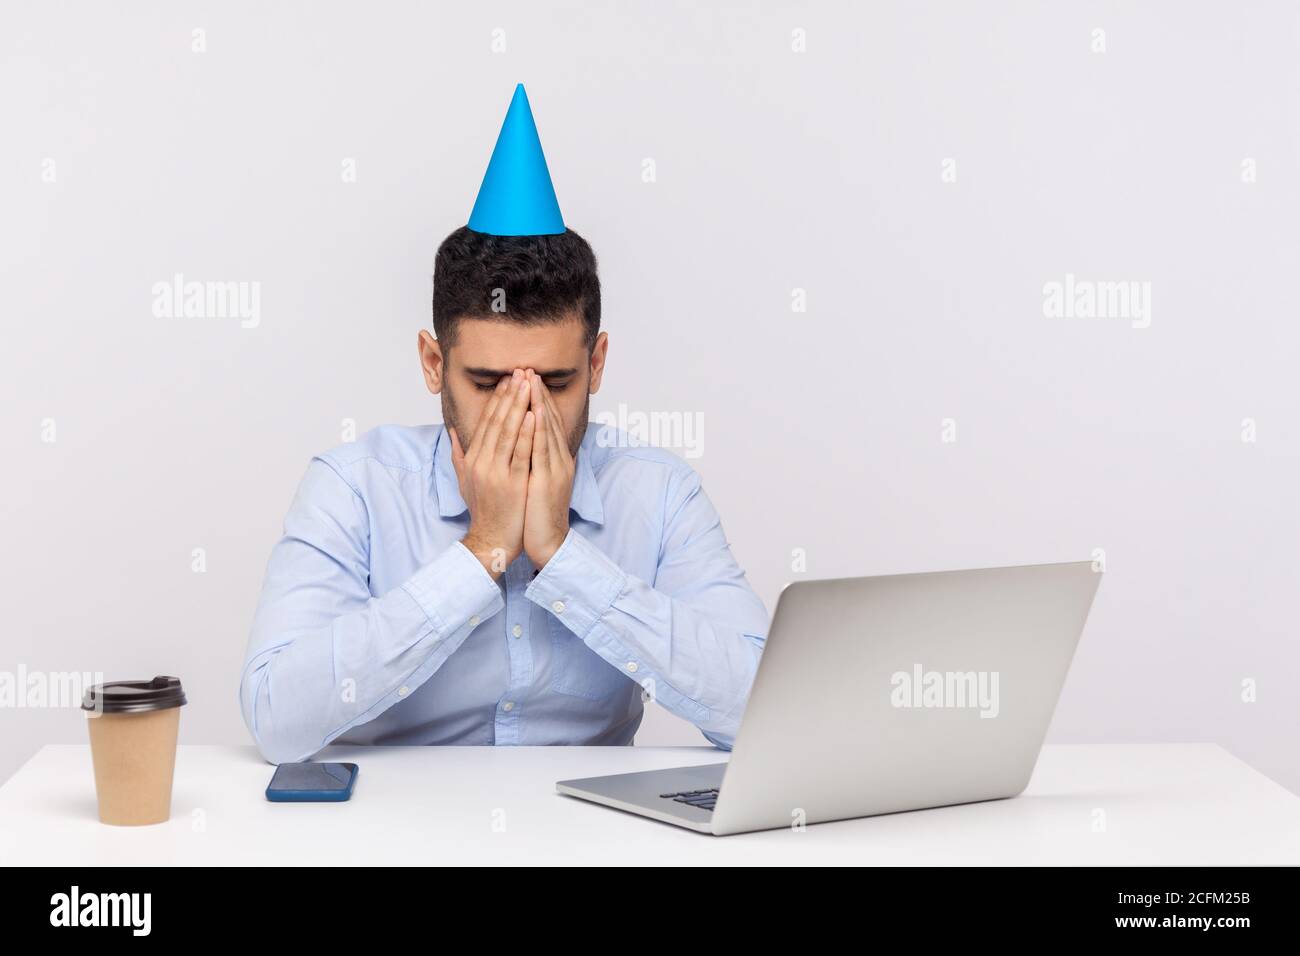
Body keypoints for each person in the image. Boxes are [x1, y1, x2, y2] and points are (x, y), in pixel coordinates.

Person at [238, 85, 768, 764]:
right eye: (487, 383)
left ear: (597, 362)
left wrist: (563, 557)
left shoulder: (659, 495)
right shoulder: (354, 489)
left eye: (555, 381)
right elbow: (278, 719)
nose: (524, 412)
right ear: (435, 363)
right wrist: (483, 549)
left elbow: (760, 710)